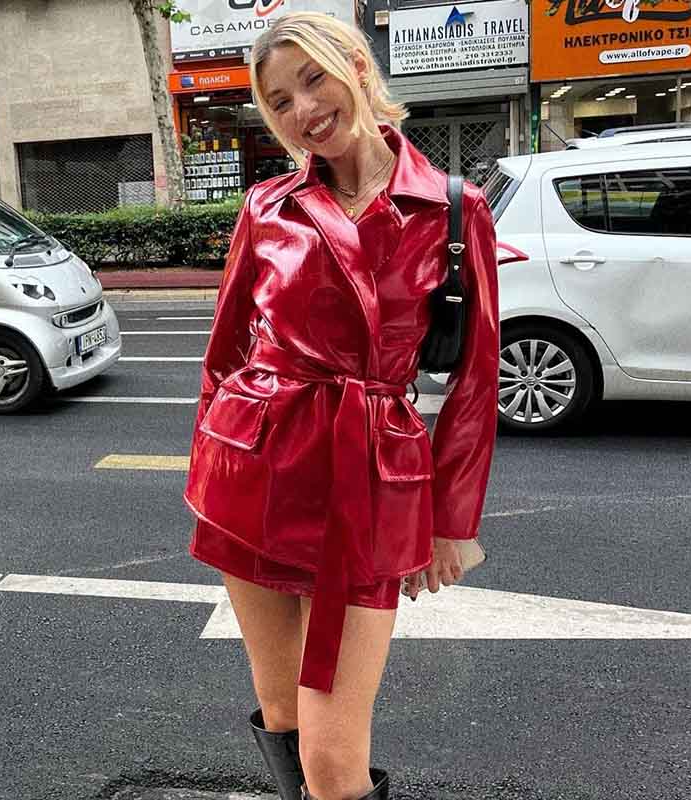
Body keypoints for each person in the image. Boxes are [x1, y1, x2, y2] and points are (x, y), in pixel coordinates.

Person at [183, 13, 499, 800]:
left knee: (331, 757)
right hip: (254, 474)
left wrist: (451, 521)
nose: (303, 110)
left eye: (312, 79)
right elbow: (223, 356)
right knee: (282, 709)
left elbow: (476, 379)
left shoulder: (454, 210)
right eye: (279, 101)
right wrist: (208, 468)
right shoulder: (267, 206)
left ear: (357, 64)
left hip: (368, 486)